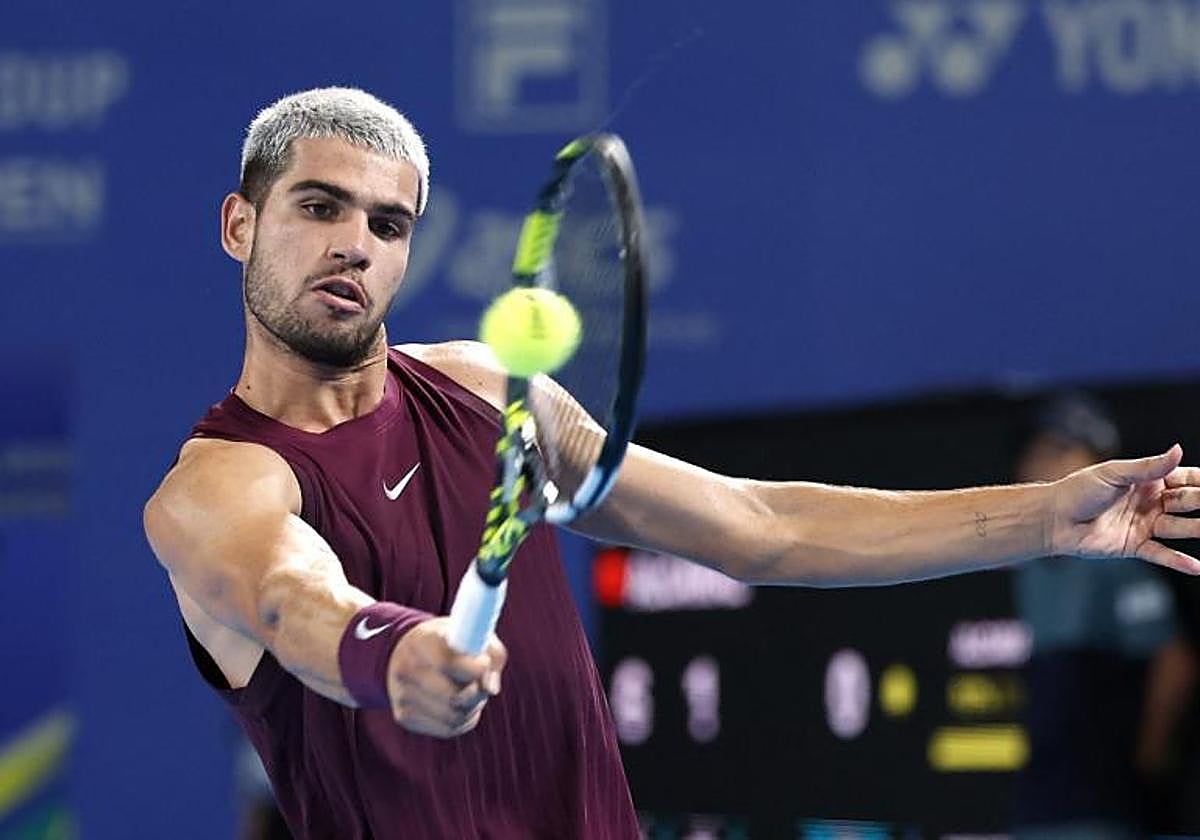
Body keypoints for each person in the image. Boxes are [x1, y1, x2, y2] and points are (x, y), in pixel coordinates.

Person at [142, 87, 1200, 840]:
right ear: (241, 224)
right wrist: (399, 657)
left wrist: (1049, 517)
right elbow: (293, 600)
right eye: (319, 206)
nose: (355, 246)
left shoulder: (485, 392)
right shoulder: (217, 487)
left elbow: (759, 525)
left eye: (388, 222)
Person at [1011, 394, 1191, 839]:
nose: (1040, 464)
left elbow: (1175, 660)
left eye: (1059, 451)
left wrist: (1147, 758)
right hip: (1042, 796)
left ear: (1099, 465)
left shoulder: (1118, 565)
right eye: (1037, 451)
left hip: (1102, 799)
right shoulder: (1029, 567)